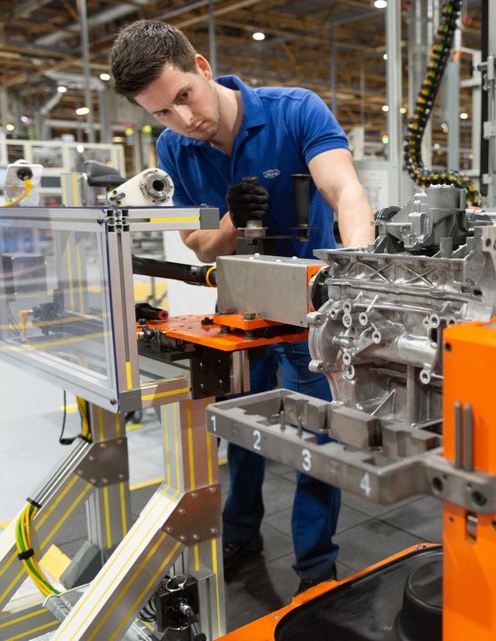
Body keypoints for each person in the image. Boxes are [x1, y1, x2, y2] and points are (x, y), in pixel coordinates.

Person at [110, 19, 375, 593]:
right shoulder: (175, 147)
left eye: (184, 96)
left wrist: (353, 282)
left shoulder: (295, 111)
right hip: (239, 314)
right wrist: (233, 219)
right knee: (240, 430)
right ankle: (241, 530)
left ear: (202, 67)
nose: (183, 120)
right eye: (161, 113)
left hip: (310, 315)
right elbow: (197, 244)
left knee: (313, 439)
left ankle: (314, 567)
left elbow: (345, 191)